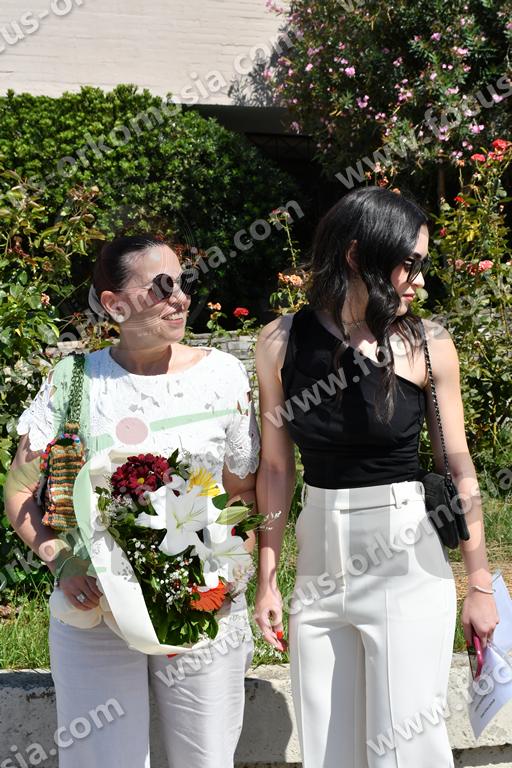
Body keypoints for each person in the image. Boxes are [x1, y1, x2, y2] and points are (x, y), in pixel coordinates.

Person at [254, 187, 499, 768]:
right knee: (326, 745)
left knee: (407, 746)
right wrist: (267, 578)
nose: (419, 281)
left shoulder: (426, 343)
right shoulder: (280, 341)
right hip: (318, 560)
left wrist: (480, 583)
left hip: (404, 556)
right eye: (409, 263)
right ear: (356, 255)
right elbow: (277, 468)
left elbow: (457, 466)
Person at [5, 235, 261, 768]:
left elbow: (241, 493)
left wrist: (232, 573)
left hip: (201, 611)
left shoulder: (222, 376)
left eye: (182, 283)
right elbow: (20, 490)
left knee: (206, 757)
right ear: (114, 303)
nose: (180, 298)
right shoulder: (75, 382)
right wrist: (62, 560)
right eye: (161, 286)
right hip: (95, 614)